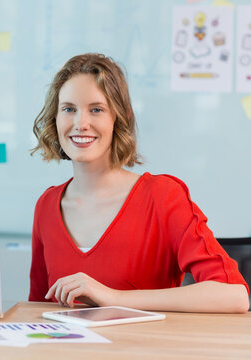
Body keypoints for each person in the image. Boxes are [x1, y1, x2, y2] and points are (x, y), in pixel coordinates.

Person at [29, 53, 249, 313]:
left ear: (118, 117)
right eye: (68, 109)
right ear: (55, 118)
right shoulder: (46, 205)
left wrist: (112, 297)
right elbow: (35, 310)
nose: (81, 123)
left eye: (96, 109)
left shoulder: (163, 197)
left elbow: (235, 296)